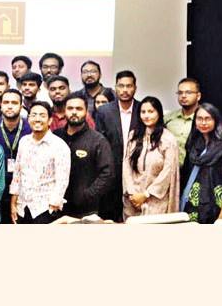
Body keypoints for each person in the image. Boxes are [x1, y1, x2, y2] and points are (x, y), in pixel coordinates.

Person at [10, 102, 71, 224]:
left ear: (49, 120)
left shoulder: (59, 145)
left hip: (45, 209)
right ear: (28, 119)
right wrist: (13, 203)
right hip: (23, 207)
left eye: (42, 115)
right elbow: (17, 174)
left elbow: (62, 180)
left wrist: (53, 207)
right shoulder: (24, 141)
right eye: (34, 115)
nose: (37, 119)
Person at [54, 96, 115, 219]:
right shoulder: (56, 137)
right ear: (65, 111)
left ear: (86, 111)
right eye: (70, 108)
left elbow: (107, 174)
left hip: (85, 210)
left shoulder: (97, 140)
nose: (74, 112)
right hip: (55, 206)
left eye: (79, 109)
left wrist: (87, 195)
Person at [122, 96, 181, 220]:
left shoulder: (168, 140)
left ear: (159, 113)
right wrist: (133, 194)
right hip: (133, 200)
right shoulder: (134, 136)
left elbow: (168, 172)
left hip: (156, 200)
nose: (146, 115)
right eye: (143, 112)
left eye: (151, 111)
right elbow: (126, 165)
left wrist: (145, 194)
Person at [95, 70, 142, 223]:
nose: (125, 90)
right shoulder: (104, 111)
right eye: (121, 86)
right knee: (110, 216)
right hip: (111, 172)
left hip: (137, 173)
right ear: (115, 87)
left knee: (134, 217)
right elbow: (100, 142)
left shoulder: (143, 109)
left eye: (129, 86)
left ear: (135, 88)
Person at [180, 103, 222, 223]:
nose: (203, 123)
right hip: (191, 206)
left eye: (208, 119)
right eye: (199, 119)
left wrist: (221, 219)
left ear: (216, 121)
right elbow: (185, 176)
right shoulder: (193, 144)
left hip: (216, 210)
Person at [0, 88, 32, 222]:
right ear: (1, 106)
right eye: (6, 102)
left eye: (14, 103)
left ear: (21, 106)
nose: (9, 106)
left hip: (23, 189)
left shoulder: (30, 129)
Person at [165, 77, 201, 166]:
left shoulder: (204, 119)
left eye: (188, 92)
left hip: (195, 169)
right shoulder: (168, 118)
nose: (183, 96)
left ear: (198, 96)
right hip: (171, 169)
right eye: (180, 93)